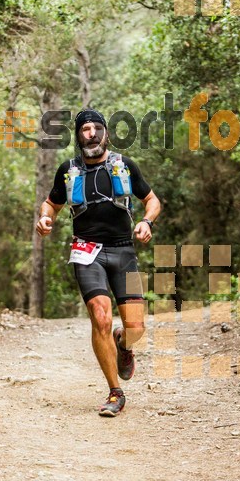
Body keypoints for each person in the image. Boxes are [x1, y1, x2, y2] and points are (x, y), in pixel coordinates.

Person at [36, 109, 161, 417]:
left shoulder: (124, 165)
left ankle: (124, 343)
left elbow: (153, 200)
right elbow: (51, 203)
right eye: (84, 129)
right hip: (86, 251)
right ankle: (115, 392)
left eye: (95, 128)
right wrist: (44, 217)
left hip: (123, 251)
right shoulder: (69, 170)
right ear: (78, 136)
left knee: (135, 328)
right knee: (100, 317)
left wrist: (147, 222)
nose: (90, 133)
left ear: (106, 133)